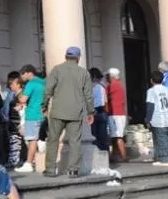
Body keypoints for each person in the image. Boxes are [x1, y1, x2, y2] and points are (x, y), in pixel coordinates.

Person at [43, 46, 94, 178]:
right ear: (78, 58)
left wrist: (44, 105)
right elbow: (89, 95)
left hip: (58, 111)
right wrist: (90, 112)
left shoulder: (57, 70)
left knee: (53, 140)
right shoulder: (84, 73)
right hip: (75, 112)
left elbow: (48, 89)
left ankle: (50, 169)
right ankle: (73, 170)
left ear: (66, 56)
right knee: (75, 141)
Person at [16, 65, 46, 173]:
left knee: (32, 140)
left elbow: (23, 99)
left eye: (23, 74)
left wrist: (18, 93)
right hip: (43, 114)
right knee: (43, 139)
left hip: (32, 115)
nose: (22, 77)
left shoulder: (30, 84)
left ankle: (29, 163)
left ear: (29, 73)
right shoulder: (43, 82)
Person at [145, 70, 168, 166]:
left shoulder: (151, 91)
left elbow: (150, 106)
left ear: (151, 80)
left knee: (160, 139)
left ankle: (164, 159)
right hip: (167, 118)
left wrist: (147, 119)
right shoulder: (167, 90)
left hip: (157, 118)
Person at [105, 67, 128, 163]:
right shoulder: (119, 85)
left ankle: (123, 156)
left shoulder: (112, 85)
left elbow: (105, 95)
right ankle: (115, 155)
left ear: (111, 76)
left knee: (117, 136)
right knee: (115, 136)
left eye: (107, 76)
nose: (106, 78)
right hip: (120, 113)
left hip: (115, 114)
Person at [90, 68, 110, 153]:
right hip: (102, 111)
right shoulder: (101, 87)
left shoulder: (87, 87)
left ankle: (96, 156)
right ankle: (104, 156)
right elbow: (105, 102)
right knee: (103, 136)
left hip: (92, 112)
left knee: (94, 135)